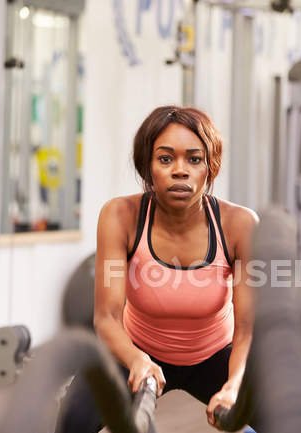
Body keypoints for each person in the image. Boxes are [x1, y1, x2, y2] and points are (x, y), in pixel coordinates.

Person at [56, 105, 259, 432]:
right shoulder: (120, 215)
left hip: (217, 355)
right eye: (165, 159)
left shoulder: (239, 224)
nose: (181, 170)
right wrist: (137, 360)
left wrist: (234, 386)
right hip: (134, 349)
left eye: (194, 159)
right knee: (73, 420)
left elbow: (247, 328)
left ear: (211, 166)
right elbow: (106, 317)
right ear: (147, 168)